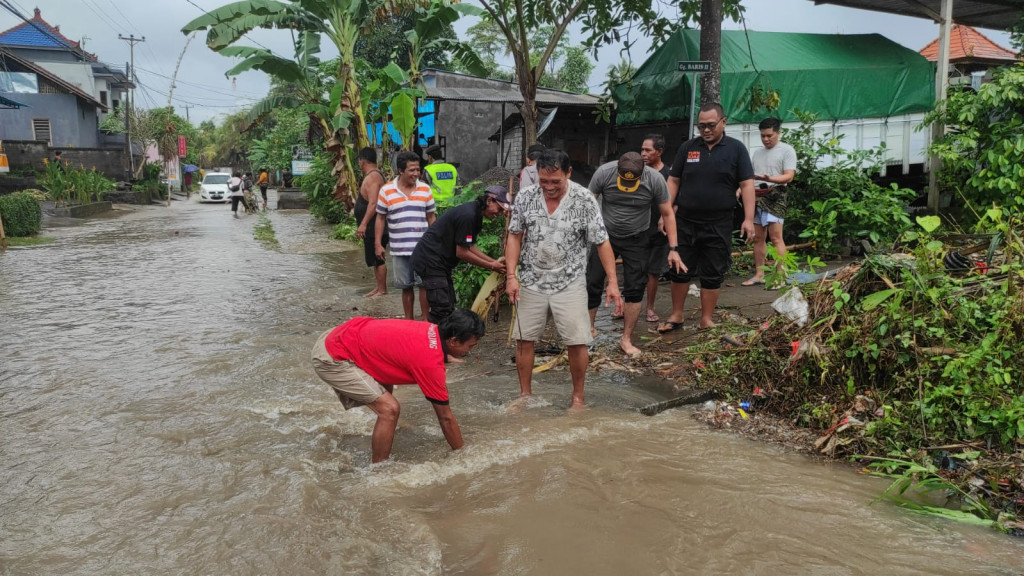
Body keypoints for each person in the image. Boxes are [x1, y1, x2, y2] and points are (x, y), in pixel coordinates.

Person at [505, 149, 624, 408]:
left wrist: (612, 283)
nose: (548, 187)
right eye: (543, 181)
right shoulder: (526, 196)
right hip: (531, 280)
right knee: (524, 339)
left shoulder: (584, 199)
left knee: (576, 340)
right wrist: (510, 276)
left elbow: (602, 242)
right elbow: (514, 235)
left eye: (555, 181)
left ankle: (578, 398)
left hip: (569, 281)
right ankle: (525, 395)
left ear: (568, 173)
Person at [311, 309, 486, 463]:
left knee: (386, 394)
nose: (470, 351)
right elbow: (445, 418)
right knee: (389, 409)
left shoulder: (430, 329)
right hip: (332, 356)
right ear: (453, 341)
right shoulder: (429, 363)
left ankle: (383, 433)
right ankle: (379, 471)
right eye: (470, 346)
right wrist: (463, 454)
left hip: (340, 334)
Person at [656, 103, 755, 333]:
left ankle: (706, 319)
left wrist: (748, 218)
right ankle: (677, 315)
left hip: (719, 223)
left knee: (713, 272)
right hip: (685, 222)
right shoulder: (688, 148)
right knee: (679, 269)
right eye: (701, 126)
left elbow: (747, 184)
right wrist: (666, 213)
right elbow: (673, 181)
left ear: (724, 122)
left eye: (711, 125)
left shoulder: (736, 149)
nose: (706, 130)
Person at [586, 152, 684, 357]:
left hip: (637, 237)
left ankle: (626, 339)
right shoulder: (604, 173)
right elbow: (587, 204)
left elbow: (667, 213)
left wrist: (674, 249)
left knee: (635, 287)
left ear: (642, 174)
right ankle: (589, 331)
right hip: (605, 236)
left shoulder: (655, 179)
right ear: (618, 171)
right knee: (593, 281)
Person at [412, 185, 510, 324]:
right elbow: (462, 252)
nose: (499, 213)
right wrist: (491, 266)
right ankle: (430, 339)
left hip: (440, 263)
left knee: (450, 303)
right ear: (489, 201)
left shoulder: (476, 215)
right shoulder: (468, 215)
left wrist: (493, 262)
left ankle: (441, 339)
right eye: (499, 208)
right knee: (442, 309)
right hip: (431, 260)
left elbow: (470, 246)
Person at [375, 150, 436, 321]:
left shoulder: (425, 189)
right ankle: (409, 322)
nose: (416, 174)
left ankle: (425, 320)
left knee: (424, 286)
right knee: (406, 287)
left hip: (423, 249)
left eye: (418, 170)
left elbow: (431, 217)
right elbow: (380, 218)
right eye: (412, 170)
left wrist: (437, 243)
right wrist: (378, 244)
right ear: (401, 171)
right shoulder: (386, 191)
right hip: (399, 249)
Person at [742, 117, 797, 287]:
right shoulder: (757, 153)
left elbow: (789, 176)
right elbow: (750, 176)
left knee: (776, 238)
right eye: (763, 136)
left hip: (776, 195)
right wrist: (741, 189)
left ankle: (780, 275)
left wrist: (770, 178)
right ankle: (760, 274)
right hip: (757, 195)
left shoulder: (787, 150)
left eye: (769, 135)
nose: (766, 139)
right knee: (758, 237)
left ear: (778, 133)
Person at [640, 134, 672, 323]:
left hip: (658, 229)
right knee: (634, 268)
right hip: (638, 228)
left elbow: (673, 201)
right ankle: (625, 305)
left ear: (659, 152)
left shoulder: (668, 174)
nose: (643, 153)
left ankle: (650, 308)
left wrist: (663, 218)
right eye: (642, 149)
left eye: (648, 150)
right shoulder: (636, 171)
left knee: (653, 270)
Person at [355, 148, 389, 297]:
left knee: (378, 257)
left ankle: (382, 290)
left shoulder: (373, 178)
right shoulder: (373, 176)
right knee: (375, 258)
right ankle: (378, 287)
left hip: (375, 226)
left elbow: (374, 203)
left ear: (362, 161)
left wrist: (363, 224)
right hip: (373, 226)